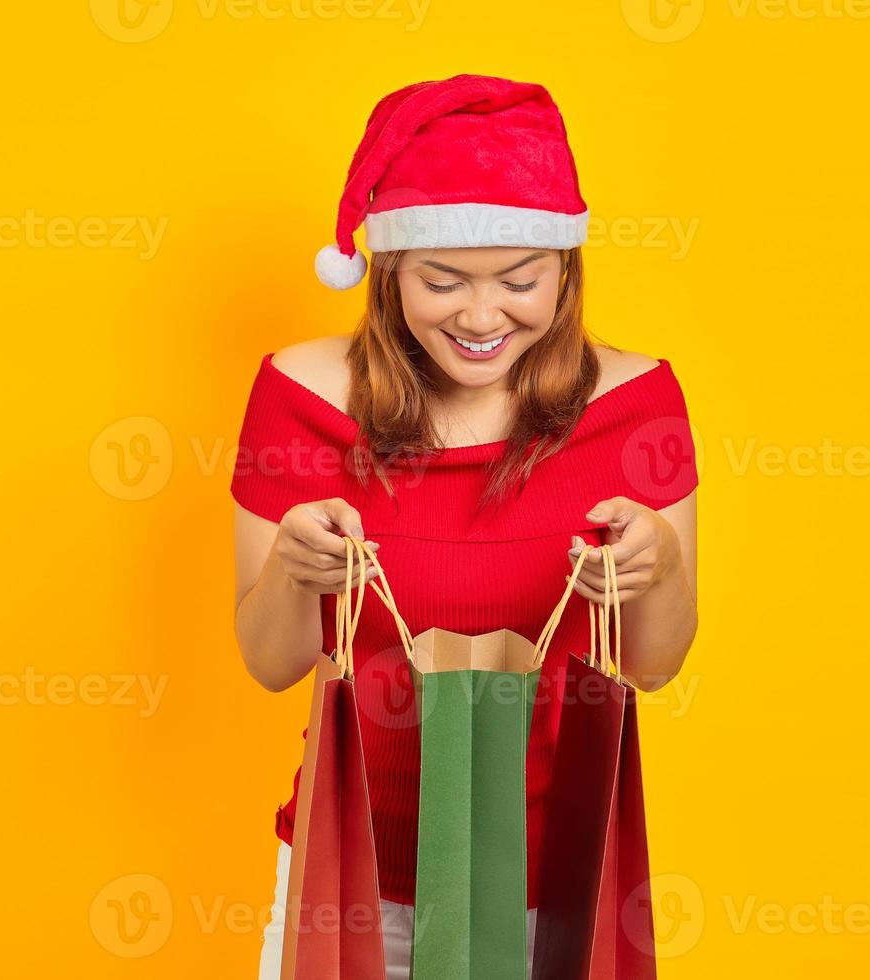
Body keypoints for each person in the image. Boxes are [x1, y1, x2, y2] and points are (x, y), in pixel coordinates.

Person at [232, 73, 700, 980]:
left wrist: (662, 564)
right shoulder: (302, 396)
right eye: (443, 282)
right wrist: (293, 567)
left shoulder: (637, 405)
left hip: (558, 887)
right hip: (350, 874)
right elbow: (268, 662)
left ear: (565, 273)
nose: (482, 319)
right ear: (389, 271)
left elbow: (657, 662)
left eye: (519, 282)